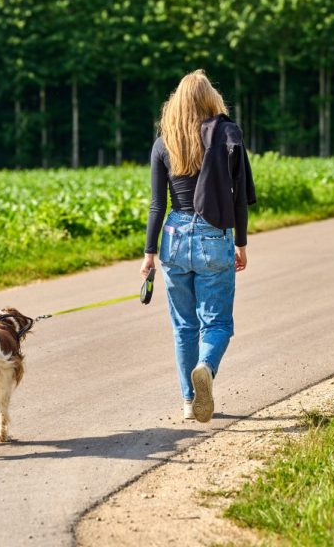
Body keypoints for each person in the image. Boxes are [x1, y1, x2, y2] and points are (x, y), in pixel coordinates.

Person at [140, 70, 256, 423]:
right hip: (212, 234)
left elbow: (157, 204)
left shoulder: (164, 144)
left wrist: (149, 254)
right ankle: (205, 367)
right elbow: (237, 200)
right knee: (217, 322)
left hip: (174, 237)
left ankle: (189, 403)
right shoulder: (225, 139)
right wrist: (240, 243)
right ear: (210, 100)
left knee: (184, 327)